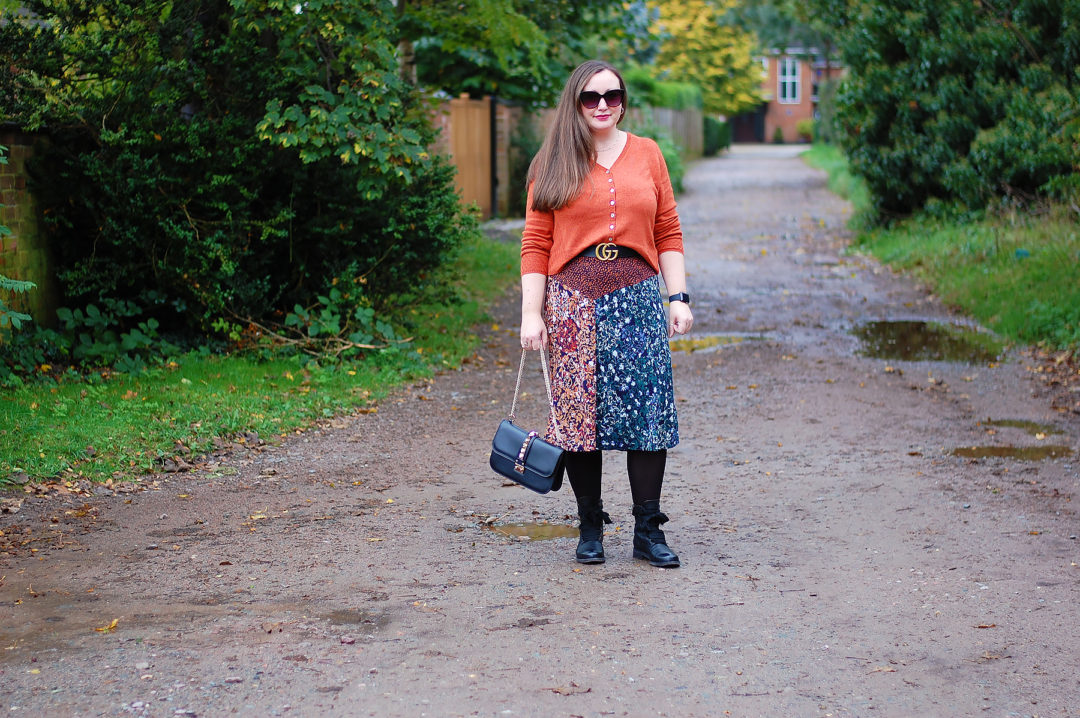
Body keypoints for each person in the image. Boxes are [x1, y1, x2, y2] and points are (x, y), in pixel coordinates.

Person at [520, 60, 693, 567]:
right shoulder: (551, 161)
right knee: (579, 420)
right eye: (591, 97)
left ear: (623, 99)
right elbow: (535, 243)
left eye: (612, 96)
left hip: (638, 297)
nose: (602, 106)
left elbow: (668, 230)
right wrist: (533, 314)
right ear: (575, 102)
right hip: (572, 301)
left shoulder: (648, 154)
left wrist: (677, 297)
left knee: (647, 416)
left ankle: (648, 530)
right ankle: (590, 524)